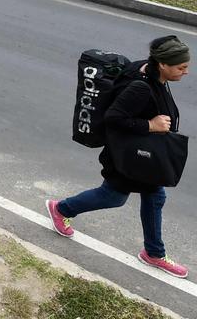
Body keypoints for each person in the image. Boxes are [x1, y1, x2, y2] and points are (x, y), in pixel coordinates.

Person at [46, 36, 190, 278]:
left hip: (142, 155)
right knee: (113, 196)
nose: (185, 72)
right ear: (163, 64)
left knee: (155, 196)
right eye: (181, 67)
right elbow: (113, 118)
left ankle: (154, 252)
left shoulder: (151, 71)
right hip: (127, 156)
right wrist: (150, 125)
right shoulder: (140, 86)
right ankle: (61, 209)